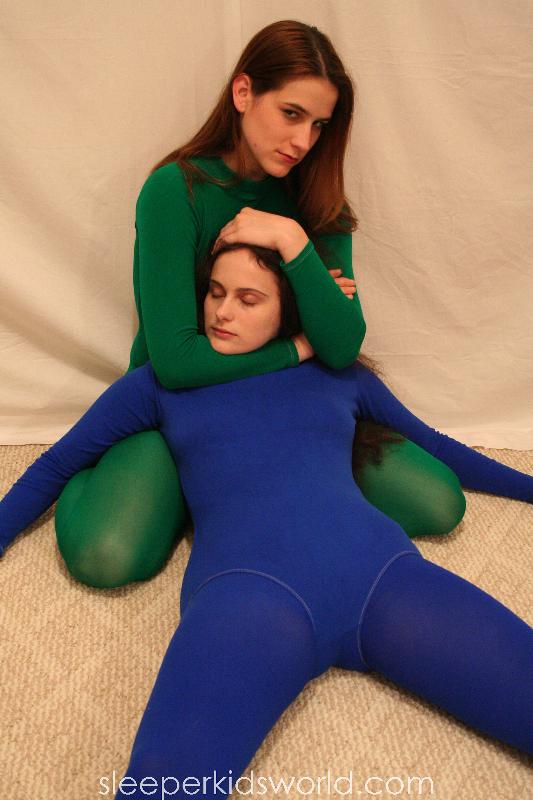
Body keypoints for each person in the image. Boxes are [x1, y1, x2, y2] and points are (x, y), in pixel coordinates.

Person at [1, 239, 532, 798]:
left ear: (288, 309)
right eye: (215, 292)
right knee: (165, 787)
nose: (222, 311)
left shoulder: (337, 375)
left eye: (248, 299)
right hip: (252, 596)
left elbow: (437, 446)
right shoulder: (164, 382)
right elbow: (58, 463)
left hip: (383, 574)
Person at [53, 20, 467, 591]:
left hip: (289, 410)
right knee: (106, 558)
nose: (302, 140)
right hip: (181, 406)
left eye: (318, 125)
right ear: (244, 93)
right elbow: (175, 361)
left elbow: (341, 346)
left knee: (438, 502)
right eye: (291, 113)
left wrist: (291, 240)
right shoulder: (175, 191)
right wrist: (296, 346)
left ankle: (214, 497)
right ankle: (123, 481)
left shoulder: (315, 201)